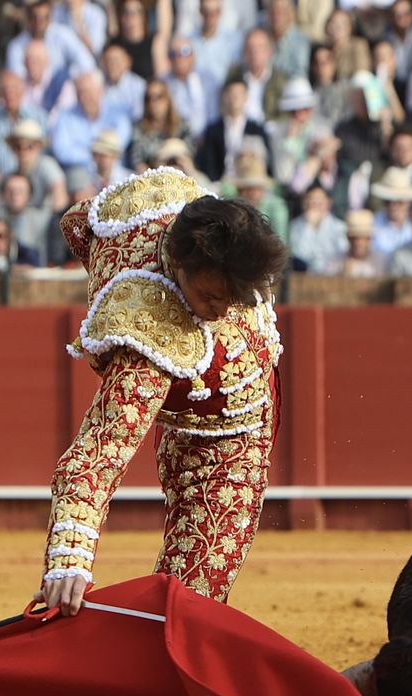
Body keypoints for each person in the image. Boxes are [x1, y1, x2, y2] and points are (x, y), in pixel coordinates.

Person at [41, 168, 288, 610]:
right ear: (178, 264)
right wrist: (70, 555)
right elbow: (98, 452)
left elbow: (78, 223)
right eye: (212, 298)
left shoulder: (155, 207)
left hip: (227, 414)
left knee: (189, 593)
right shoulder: (152, 340)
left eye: (234, 300)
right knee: (189, 605)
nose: (222, 312)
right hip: (228, 443)